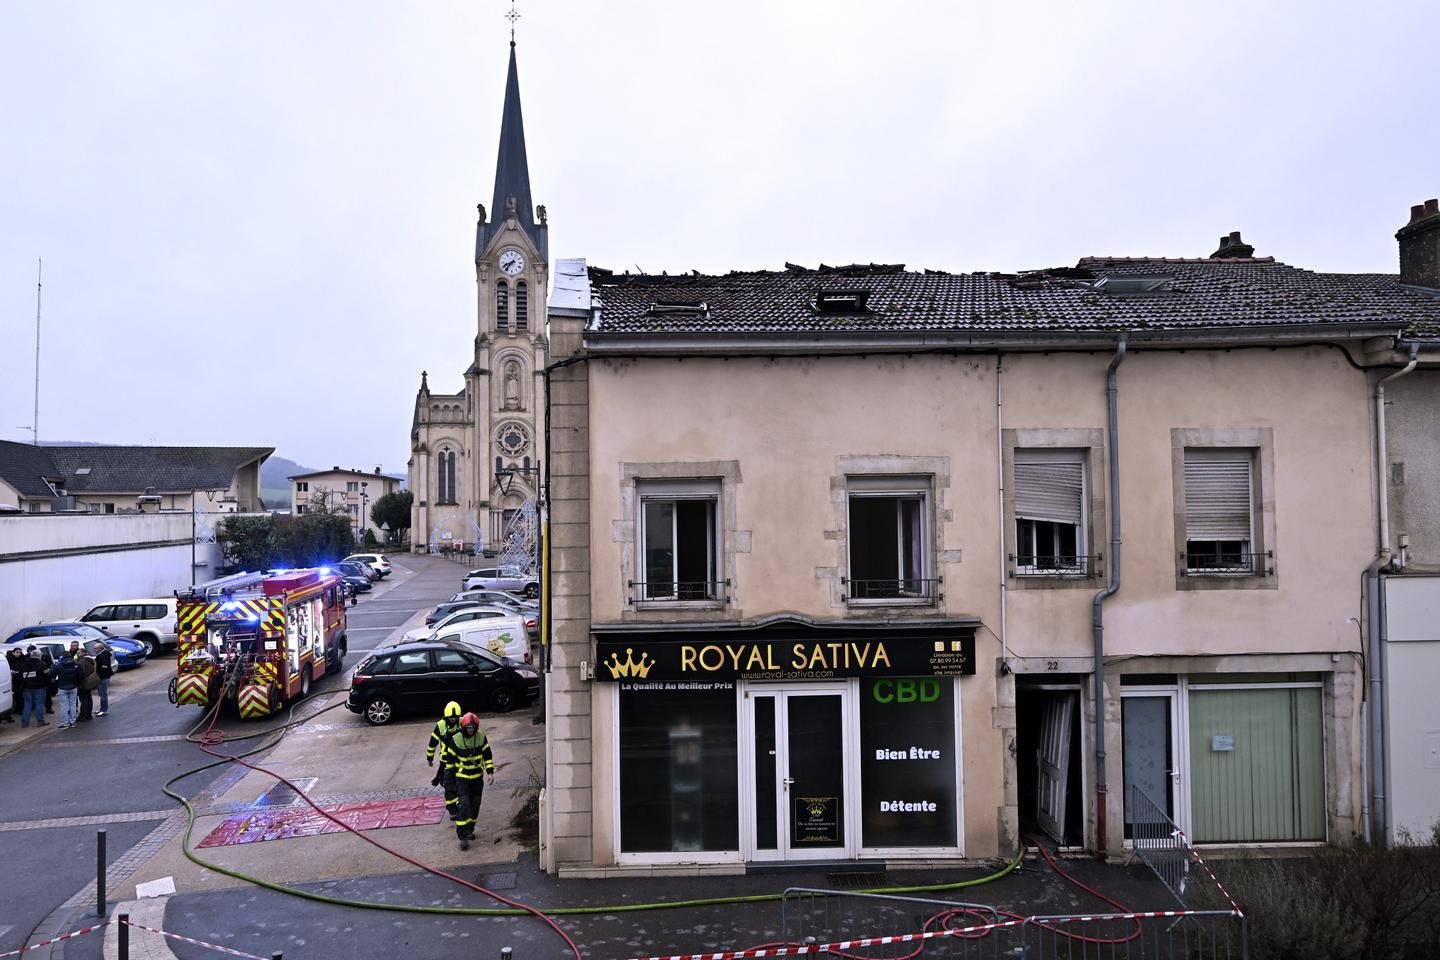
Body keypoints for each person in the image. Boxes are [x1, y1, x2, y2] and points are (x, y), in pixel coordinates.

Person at [445, 712, 495, 850]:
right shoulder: (456, 739)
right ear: (463, 727)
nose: (471, 730)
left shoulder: (481, 737)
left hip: (477, 779)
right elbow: (450, 760)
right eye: (468, 727)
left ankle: (470, 829)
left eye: (473, 727)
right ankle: (462, 837)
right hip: (462, 779)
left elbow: (487, 755)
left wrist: (490, 772)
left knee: (475, 804)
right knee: (464, 804)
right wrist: (449, 778)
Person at [426, 701, 464, 828]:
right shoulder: (440, 725)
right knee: (448, 787)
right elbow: (433, 743)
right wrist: (429, 758)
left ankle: (460, 805)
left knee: (460, 784)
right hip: (446, 761)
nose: (453, 719)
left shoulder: (462, 722)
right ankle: (452, 810)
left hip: (460, 760)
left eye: (455, 717)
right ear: (446, 716)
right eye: (451, 718)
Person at [52, 646, 85, 729]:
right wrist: (77, 683)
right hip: (73, 687)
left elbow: (52, 674)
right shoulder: (76, 664)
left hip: (62, 687)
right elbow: (81, 676)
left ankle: (65, 722)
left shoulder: (59, 666)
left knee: (64, 706)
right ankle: (73, 721)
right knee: (73, 704)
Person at [18, 646, 50, 728]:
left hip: (27, 688)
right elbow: (47, 676)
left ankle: (24, 723)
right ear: (39, 656)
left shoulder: (24, 664)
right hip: (40, 687)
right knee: (39, 704)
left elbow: (20, 676)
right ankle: (40, 721)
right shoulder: (42, 664)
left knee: (27, 705)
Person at [76, 642, 97, 723]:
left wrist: (78, 682)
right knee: (89, 698)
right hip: (90, 682)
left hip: (83, 684)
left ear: (82, 654)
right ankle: (89, 714)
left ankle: (83, 715)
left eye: (78, 653)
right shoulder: (91, 660)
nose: (77, 654)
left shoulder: (81, 662)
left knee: (83, 700)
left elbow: (81, 674)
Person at [94, 643, 114, 716]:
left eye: (95, 648)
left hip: (102, 677)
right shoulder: (103, 655)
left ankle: (104, 710)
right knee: (101, 693)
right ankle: (102, 708)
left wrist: (99, 676)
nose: (94, 650)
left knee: (103, 694)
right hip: (103, 677)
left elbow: (104, 667)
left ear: (100, 648)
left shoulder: (103, 656)